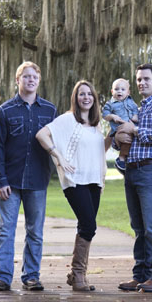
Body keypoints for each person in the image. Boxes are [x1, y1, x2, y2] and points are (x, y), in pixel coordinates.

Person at [0, 61, 57, 291]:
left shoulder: (49, 110)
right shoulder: (5, 111)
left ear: (39, 81)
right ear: (17, 80)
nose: (30, 80)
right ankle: (2, 277)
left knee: (35, 232)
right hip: (10, 181)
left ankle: (31, 276)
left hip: (37, 181)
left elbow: (57, 143)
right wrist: (1, 180)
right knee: (5, 230)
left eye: (34, 77)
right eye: (26, 76)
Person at [35, 80, 107, 291]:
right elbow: (41, 135)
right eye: (81, 94)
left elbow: (99, 151)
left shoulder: (97, 124)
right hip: (75, 180)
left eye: (89, 94)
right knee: (89, 225)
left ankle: (77, 276)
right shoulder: (67, 120)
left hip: (94, 180)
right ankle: (78, 274)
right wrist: (57, 155)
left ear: (94, 98)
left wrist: (111, 138)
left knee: (86, 227)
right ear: (75, 98)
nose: (86, 97)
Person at [113, 64, 152, 293]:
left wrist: (134, 129)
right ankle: (141, 275)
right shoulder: (136, 108)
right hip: (132, 170)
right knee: (138, 227)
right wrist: (119, 136)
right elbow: (123, 138)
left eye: (146, 79)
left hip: (151, 170)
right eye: (139, 79)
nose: (142, 83)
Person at [101, 78, 140, 173]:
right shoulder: (110, 104)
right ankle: (121, 158)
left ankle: (127, 159)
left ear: (128, 92)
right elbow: (104, 115)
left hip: (131, 126)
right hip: (119, 129)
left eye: (123, 89)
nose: (119, 91)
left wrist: (135, 116)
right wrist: (112, 116)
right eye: (116, 89)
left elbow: (135, 110)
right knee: (126, 139)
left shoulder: (131, 102)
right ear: (112, 91)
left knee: (133, 140)